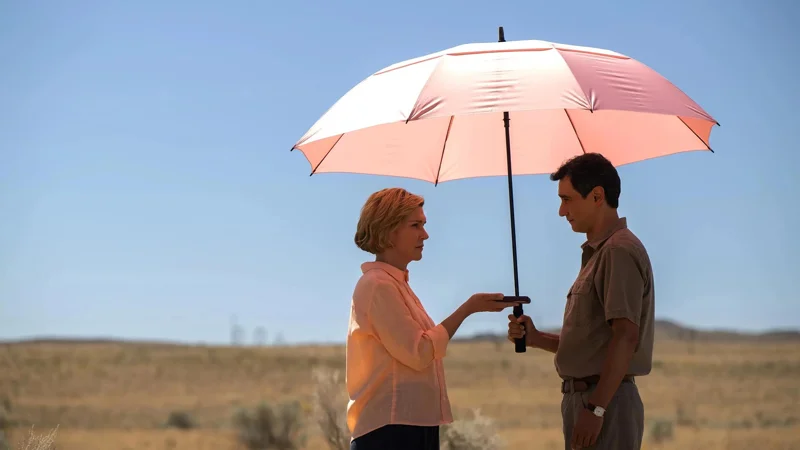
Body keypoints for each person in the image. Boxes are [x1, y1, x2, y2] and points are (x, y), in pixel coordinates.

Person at [347, 187, 520, 450]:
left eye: (423, 225)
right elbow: (421, 351)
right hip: (391, 431)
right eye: (416, 225)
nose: (425, 234)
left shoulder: (396, 284)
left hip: (411, 426)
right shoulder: (377, 285)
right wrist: (469, 308)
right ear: (389, 230)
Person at [508, 153, 655, 450]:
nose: (562, 211)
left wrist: (597, 409)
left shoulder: (617, 252)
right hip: (590, 403)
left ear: (597, 196)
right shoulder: (599, 253)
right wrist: (536, 338)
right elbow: (593, 343)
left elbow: (625, 336)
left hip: (603, 404)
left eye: (568, 199)